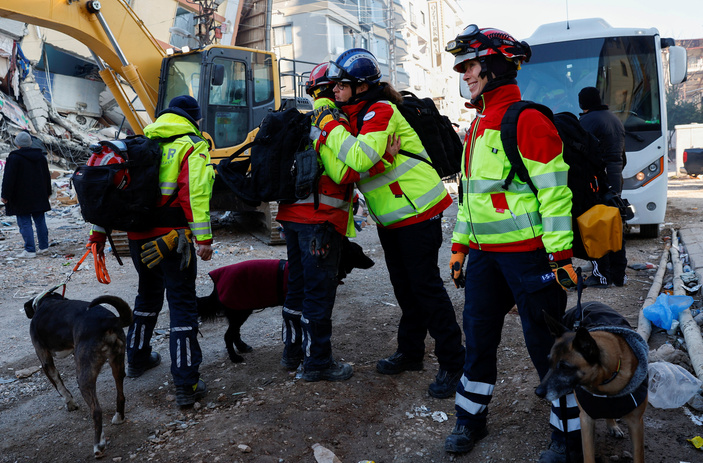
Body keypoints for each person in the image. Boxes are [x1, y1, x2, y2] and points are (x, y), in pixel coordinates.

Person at [443, 25, 582, 462]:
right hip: (485, 259)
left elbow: (556, 194)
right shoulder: (478, 124)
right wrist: (460, 246)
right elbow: (471, 197)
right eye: (461, 66)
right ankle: (471, 418)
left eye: (471, 64)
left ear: (498, 64)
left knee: (546, 345)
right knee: (478, 338)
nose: (464, 73)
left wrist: (560, 255)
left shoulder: (527, 120)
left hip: (530, 257)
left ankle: (568, 436)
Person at [313, 49, 466, 399]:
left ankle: (454, 361)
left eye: (341, 85)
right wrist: (372, 157)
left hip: (418, 213)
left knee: (426, 289)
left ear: (362, 86)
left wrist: (327, 126)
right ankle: (411, 353)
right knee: (404, 289)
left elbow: (354, 157)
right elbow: (342, 172)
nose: (334, 91)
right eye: (333, 85)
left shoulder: (380, 111)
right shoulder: (354, 119)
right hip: (392, 219)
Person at [89, 95, 215, 406]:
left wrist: (98, 233)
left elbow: (109, 192)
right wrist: (204, 238)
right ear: (193, 119)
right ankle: (187, 384)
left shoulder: (139, 143)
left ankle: (136, 358)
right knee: (183, 303)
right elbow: (195, 193)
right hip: (173, 239)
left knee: (147, 295)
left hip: (138, 237)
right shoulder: (191, 144)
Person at [276, 62, 396, 382]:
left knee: (297, 289)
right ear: (331, 88)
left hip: (291, 218)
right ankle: (318, 363)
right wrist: (382, 158)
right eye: (339, 85)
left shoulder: (302, 118)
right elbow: (342, 172)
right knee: (318, 293)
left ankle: (292, 354)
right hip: (320, 221)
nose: (344, 90)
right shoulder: (332, 119)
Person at [578, 86, 628, 288]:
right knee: (614, 226)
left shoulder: (587, 121)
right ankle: (619, 274)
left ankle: (601, 275)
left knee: (596, 226)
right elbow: (622, 157)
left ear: (583, 103)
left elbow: (583, 154)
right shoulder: (614, 119)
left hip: (597, 181)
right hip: (615, 178)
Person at [1, 131, 51, 258]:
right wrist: (48, 192)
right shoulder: (40, 157)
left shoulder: (14, 158)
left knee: (25, 223)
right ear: (30, 143)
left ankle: (30, 250)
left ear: (17, 144)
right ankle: (44, 247)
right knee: (40, 221)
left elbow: (8, 179)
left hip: (21, 197)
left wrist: (5, 195)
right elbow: (47, 177)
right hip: (39, 195)